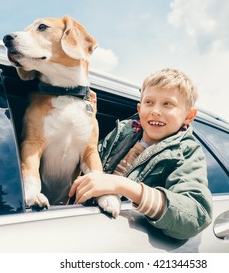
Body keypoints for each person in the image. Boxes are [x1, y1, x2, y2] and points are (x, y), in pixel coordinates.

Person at [69, 68, 213, 240]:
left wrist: (123, 186)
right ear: (139, 107)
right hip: (82, 221)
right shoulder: (121, 132)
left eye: (167, 104)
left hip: (121, 237)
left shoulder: (188, 152)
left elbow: (195, 215)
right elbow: (87, 163)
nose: (155, 111)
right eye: (149, 102)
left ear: (189, 116)